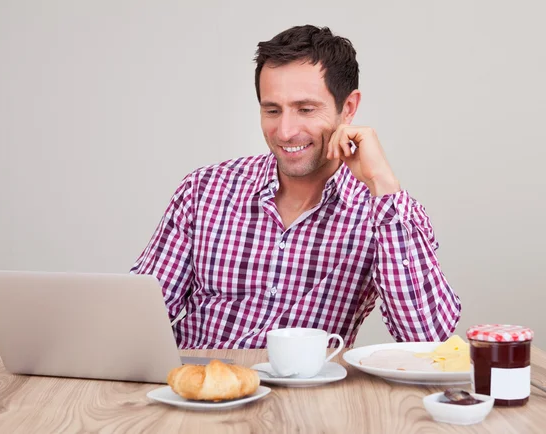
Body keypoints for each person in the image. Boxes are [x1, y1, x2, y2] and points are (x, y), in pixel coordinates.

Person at [130, 25, 461, 349]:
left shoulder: (387, 215)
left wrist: (383, 184)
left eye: (305, 110)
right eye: (272, 110)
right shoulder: (203, 190)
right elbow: (135, 321)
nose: (285, 131)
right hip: (200, 390)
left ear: (348, 108)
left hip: (305, 397)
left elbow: (427, 339)